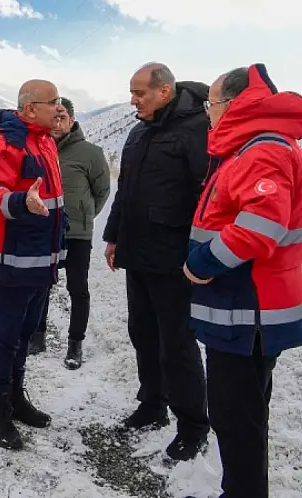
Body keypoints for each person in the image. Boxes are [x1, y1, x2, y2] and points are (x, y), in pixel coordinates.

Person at [184, 63, 302, 498]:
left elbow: (258, 230)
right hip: (243, 306)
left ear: (235, 104)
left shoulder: (262, 150)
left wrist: (201, 263)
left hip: (246, 309)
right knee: (243, 415)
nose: (208, 113)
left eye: (211, 104)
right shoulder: (250, 147)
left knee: (236, 419)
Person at [101, 62, 210, 461]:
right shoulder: (139, 131)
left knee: (177, 344)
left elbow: (207, 197)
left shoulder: (197, 130)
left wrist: (200, 254)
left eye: (140, 93)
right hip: (138, 254)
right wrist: (114, 235)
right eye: (132, 92)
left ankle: (193, 425)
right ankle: (152, 405)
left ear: (164, 91)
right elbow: (125, 190)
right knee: (143, 334)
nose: (133, 100)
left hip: (174, 260)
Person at [0, 80, 66, 450]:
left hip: (42, 261)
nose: (59, 108)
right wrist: (19, 202)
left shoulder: (44, 141)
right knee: (6, 336)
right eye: (53, 102)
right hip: (15, 262)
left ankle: (15, 397)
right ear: (30, 108)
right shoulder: (6, 143)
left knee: (26, 334)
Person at [28, 97, 111, 369]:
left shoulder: (90, 152)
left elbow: (102, 191)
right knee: (41, 285)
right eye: (53, 116)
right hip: (45, 230)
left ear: (72, 120)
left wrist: (84, 214)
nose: (57, 122)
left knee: (77, 287)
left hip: (77, 233)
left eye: (62, 117)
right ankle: (36, 336)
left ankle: (75, 344)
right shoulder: (38, 149)